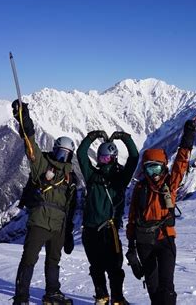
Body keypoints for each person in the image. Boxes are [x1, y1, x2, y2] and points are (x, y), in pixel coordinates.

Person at [11, 100, 77, 305]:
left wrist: (68, 232)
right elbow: (30, 143)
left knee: (53, 261)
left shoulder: (71, 177)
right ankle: (21, 297)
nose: (61, 157)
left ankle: (52, 293)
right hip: (39, 220)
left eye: (65, 154)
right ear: (54, 149)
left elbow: (71, 206)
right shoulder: (42, 165)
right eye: (59, 152)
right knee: (29, 259)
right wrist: (23, 117)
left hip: (58, 225)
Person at [126, 120, 196, 305]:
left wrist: (188, 139)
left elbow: (181, 165)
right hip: (144, 241)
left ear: (164, 166)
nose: (154, 173)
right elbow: (132, 217)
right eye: (150, 168)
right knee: (152, 285)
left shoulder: (169, 184)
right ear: (144, 169)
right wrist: (131, 245)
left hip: (166, 239)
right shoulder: (140, 188)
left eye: (157, 167)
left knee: (166, 286)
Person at [77, 130, 139, 305]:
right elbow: (81, 154)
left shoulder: (120, 179)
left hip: (107, 230)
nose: (105, 162)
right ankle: (104, 297)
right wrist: (92, 137)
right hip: (92, 230)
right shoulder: (92, 176)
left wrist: (125, 138)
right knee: (97, 266)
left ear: (115, 158)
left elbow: (134, 157)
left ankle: (115, 298)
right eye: (102, 159)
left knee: (114, 268)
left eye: (108, 158)